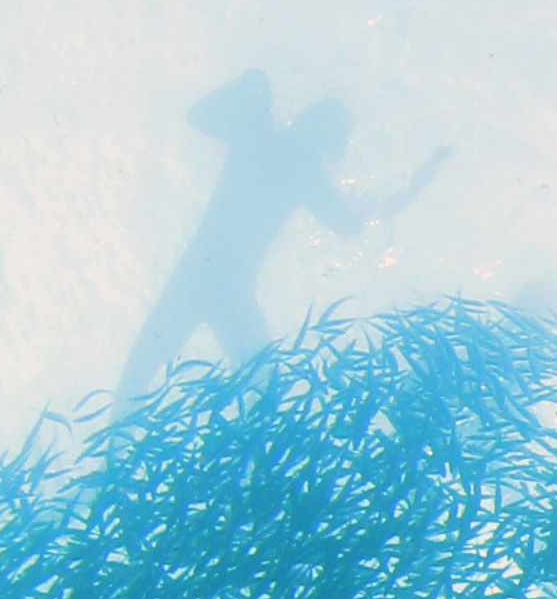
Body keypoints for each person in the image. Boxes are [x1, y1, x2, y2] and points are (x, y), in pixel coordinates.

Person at [116, 73, 448, 401]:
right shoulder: (301, 170)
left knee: (138, 375)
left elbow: (197, 116)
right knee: (264, 391)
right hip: (230, 288)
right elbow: (351, 224)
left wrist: (251, 84)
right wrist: (415, 188)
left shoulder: (257, 137)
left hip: (196, 275)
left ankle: (119, 433)